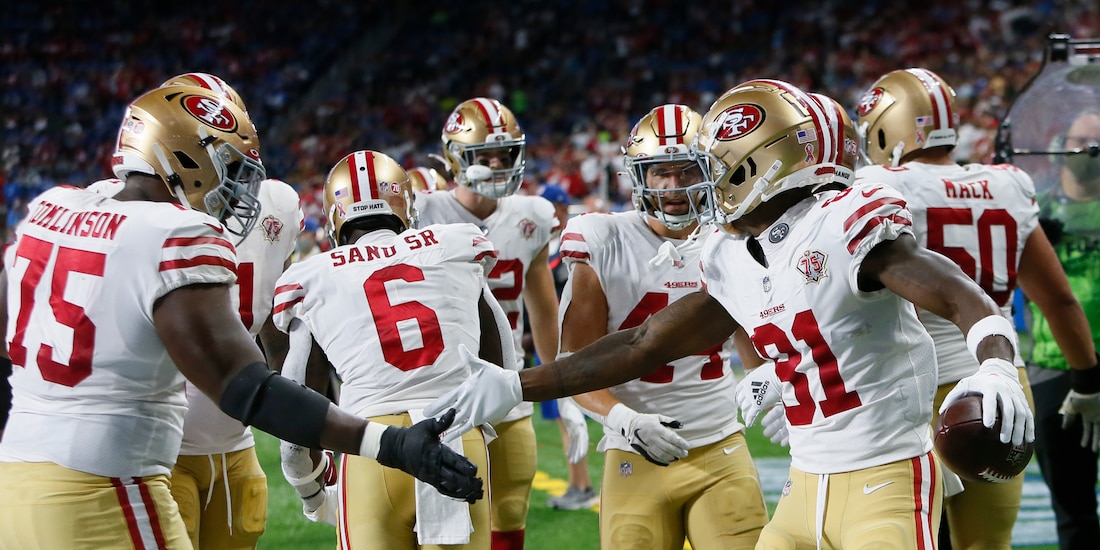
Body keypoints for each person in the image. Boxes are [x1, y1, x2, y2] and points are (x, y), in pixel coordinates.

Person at [426, 79, 1037, 549]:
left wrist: (996, 364)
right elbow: (641, 344)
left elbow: (960, 294)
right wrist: (515, 383)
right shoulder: (735, 251)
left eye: (714, 165)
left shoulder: (842, 220)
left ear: (759, 163)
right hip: (805, 485)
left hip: (886, 478)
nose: (700, 183)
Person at [0, 84, 482, 549]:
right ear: (183, 158)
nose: (237, 186)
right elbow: (246, 386)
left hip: (17, 474)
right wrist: (391, 445)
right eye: (228, 164)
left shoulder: (53, 208)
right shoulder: (175, 233)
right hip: (101, 487)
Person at [855, 67, 1100, 550]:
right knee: (986, 544)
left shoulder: (878, 185)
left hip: (908, 393)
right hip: (1000, 384)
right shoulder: (1008, 184)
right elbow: (1058, 299)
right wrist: (1088, 381)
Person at [272, 150, 510, 549]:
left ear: (335, 216)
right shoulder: (455, 243)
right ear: (406, 204)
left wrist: (311, 493)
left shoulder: (315, 274)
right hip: (456, 437)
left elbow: (296, 417)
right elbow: (502, 371)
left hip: (370, 445)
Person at [560, 103, 768, 548]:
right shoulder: (603, 239)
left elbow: (750, 338)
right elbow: (573, 365)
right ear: (639, 176)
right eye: (660, 173)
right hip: (635, 452)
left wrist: (768, 379)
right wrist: (624, 419)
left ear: (709, 171)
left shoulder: (731, 239)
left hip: (720, 445)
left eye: (687, 172)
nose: (674, 187)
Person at [160, 71, 305, 550]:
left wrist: (293, 413)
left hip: (235, 442)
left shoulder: (276, 205)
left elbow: (275, 327)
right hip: (158, 449)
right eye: (220, 148)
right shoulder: (145, 216)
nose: (240, 162)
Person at [416, 97, 560, 549]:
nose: (497, 165)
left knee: (512, 506)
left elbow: (542, 302)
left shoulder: (532, 216)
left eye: (505, 155)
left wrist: (561, 381)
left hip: (507, 382)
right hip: (441, 386)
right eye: (484, 156)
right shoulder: (422, 212)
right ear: (457, 157)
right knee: (444, 523)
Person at [1027, 107, 1100, 550]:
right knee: (1072, 508)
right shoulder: (1037, 209)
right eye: (1081, 140)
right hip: (1055, 365)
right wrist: (1030, 238)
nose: (1088, 149)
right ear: (1060, 146)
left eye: (1097, 141)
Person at [535, 182, 598, 511]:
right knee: (565, 419)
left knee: (569, 419)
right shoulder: (548, 247)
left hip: (567, 347)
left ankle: (583, 485)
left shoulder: (567, 247)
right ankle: (579, 483)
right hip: (555, 345)